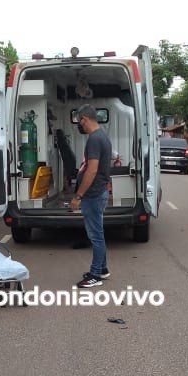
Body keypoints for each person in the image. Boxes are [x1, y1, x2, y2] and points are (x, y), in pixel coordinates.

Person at [69, 104, 112, 288]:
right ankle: (102, 268)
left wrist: (78, 196)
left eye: (79, 121)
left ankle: (95, 275)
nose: (79, 124)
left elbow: (92, 170)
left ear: (85, 119)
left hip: (93, 194)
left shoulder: (94, 139)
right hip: (98, 192)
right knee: (98, 233)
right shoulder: (102, 136)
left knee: (96, 236)